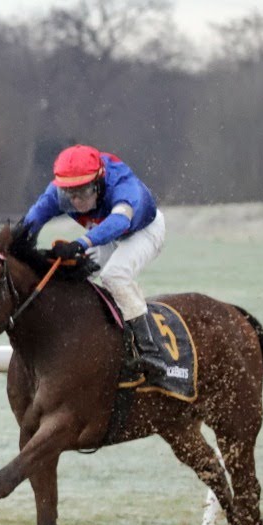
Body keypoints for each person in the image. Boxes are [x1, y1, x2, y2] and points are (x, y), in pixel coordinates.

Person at [21, 144, 167, 382]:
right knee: (76, 275)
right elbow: (33, 219)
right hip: (104, 231)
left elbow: (119, 222)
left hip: (143, 230)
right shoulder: (60, 190)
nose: (76, 201)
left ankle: (150, 350)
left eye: (83, 192)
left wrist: (80, 243)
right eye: (70, 194)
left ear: (99, 183)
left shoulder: (123, 187)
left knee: (114, 275)